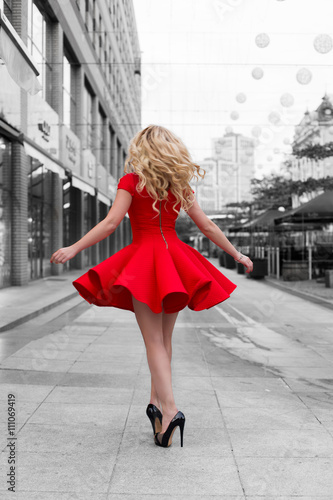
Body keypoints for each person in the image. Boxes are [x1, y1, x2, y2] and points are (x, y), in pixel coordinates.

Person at [50, 124, 253, 448]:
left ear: (141, 150)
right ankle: (156, 406)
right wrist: (237, 254)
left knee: (153, 342)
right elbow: (207, 226)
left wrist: (75, 248)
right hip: (175, 262)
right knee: (165, 341)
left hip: (146, 261)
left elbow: (111, 222)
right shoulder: (181, 184)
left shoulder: (131, 181)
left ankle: (170, 410)